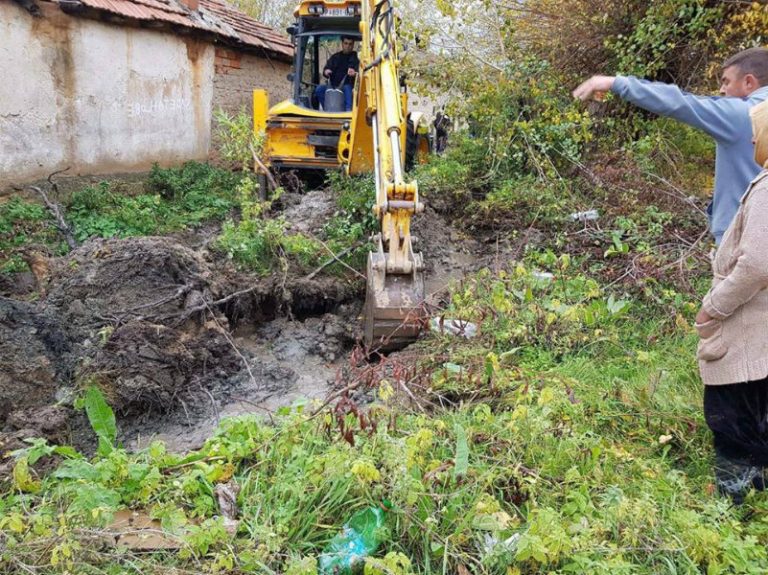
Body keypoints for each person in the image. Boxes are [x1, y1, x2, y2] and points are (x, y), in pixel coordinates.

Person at [573, 48, 768, 245]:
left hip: (743, 243)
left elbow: (679, 103)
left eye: (726, 81)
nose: (721, 90)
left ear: (748, 82)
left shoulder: (743, 115)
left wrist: (614, 83)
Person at [695, 98, 768, 503]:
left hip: (745, 330)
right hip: (761, 335)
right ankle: (754, 495)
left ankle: (731, 509)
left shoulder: (767, 189)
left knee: (730, 420)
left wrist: (713, 307)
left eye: (758, 128)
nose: (753, 136)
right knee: (757, 415)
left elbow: (757, 265)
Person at [315, 36, 359, 112]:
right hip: (332, 86)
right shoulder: (335, 57)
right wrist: (326, 71)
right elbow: (325, 70)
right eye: (346, 43)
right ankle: (327, 108)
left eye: (350, 44)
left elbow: (360, 72)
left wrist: (354, 73)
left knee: (348, 88)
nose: (348, 46)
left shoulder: (356, 58)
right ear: (342, 44)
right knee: (319, 89)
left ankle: (348, 112)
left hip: (347, 86)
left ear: (353, 45)